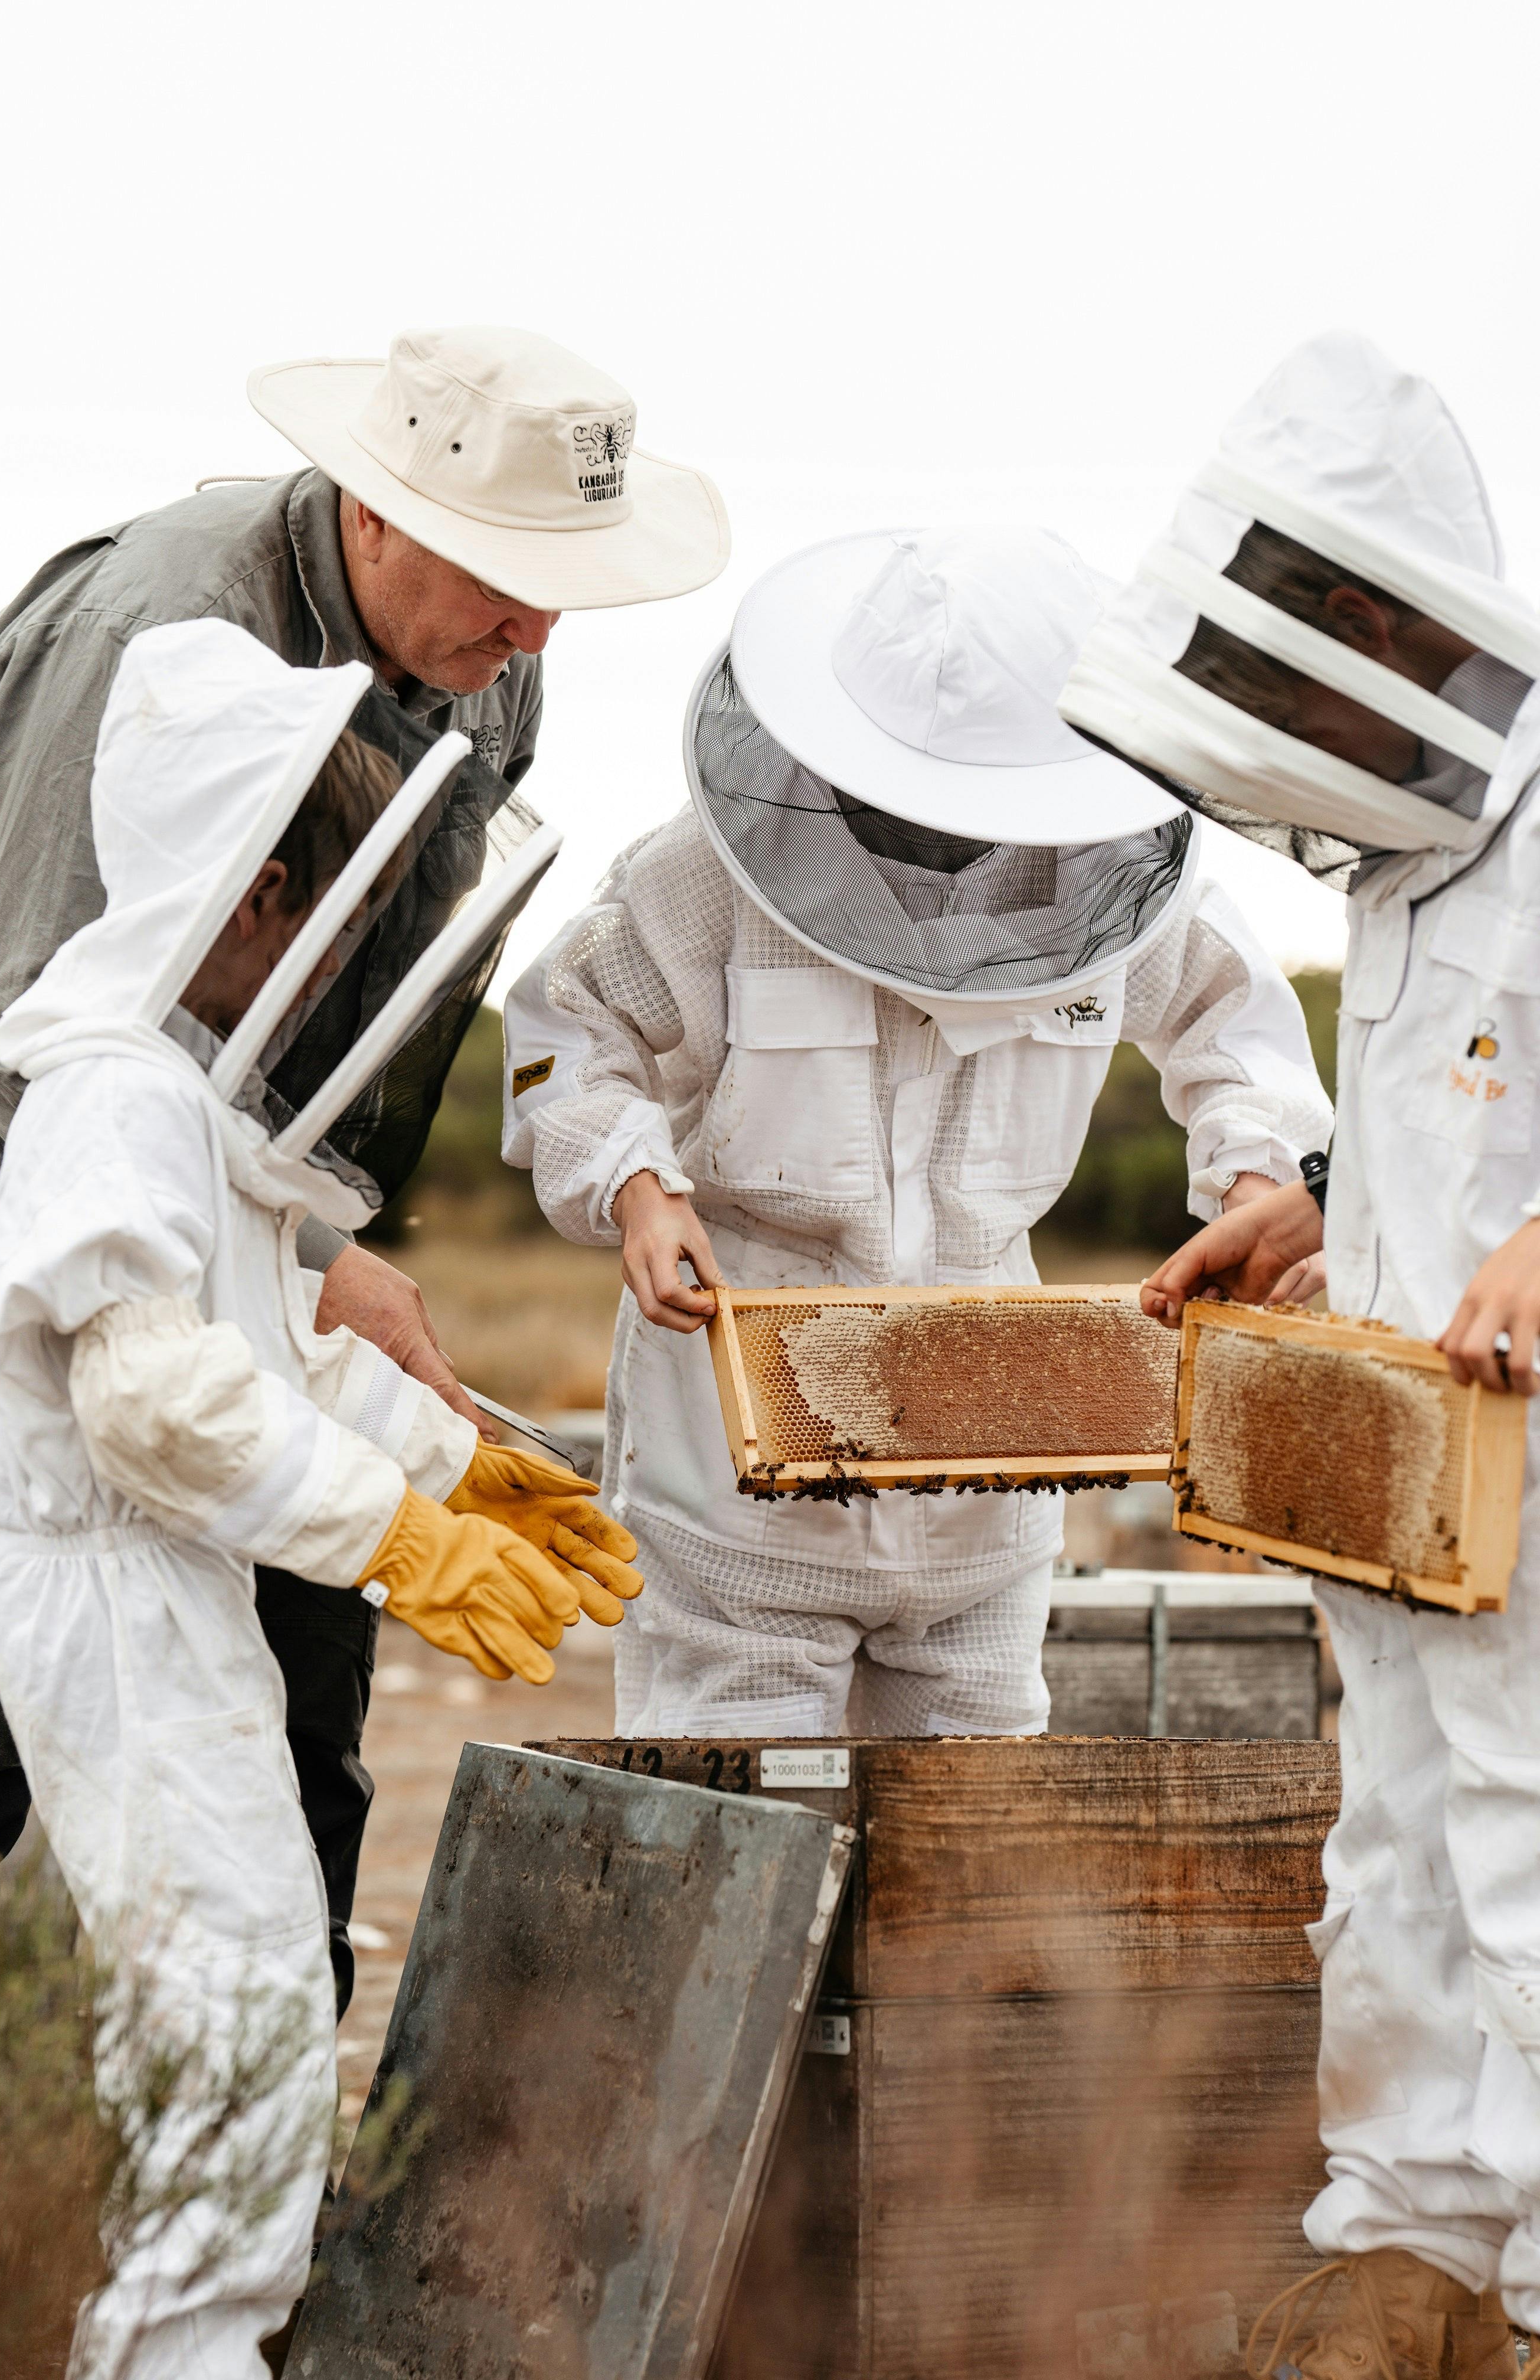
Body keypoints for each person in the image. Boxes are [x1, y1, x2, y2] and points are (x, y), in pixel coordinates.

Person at [0, 322, 726, 2006]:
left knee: (298, 1711)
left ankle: (265, 2157)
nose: (532, 629)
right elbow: (14, 1032)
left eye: (559, 587)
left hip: (252, 1212)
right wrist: (301, 1265)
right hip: (17, 1213)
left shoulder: (491, 650)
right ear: (375, 512)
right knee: (0, 1726)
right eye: (508, 576)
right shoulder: (154, 627)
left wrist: (409, 1444)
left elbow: (367, 992)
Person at [0, 616, 642, 2380]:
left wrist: (463, 1460)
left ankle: (186, 2341)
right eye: (345, 908)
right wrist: (394, 1536)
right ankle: (174, 2353)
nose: (359, 954)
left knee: (250, 1975)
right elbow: (153, 1403)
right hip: (111, 1592)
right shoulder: (112, 1099)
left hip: (160, 1585)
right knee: (228, 2000)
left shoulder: (184, 1105)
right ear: (256, 890)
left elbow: (261, 1361)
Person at [502, 526, 1331, 1739]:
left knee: (971, 1859)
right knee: (741, 1834)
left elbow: (1234, 1025)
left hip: (989, 1474)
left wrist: (1258, 1171)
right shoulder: (698, 880)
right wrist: (636, 1185)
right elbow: (563, 1040)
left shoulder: (1116, 885)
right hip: (740, 1464)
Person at [1060, 331, 1540, 2375]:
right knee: (1404, 1840)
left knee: (1527, 1848)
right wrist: (1314, 1205)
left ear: (1371, 618)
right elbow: (1464, 1137)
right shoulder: (1417, 865)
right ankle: (1410, 2236)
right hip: (1421, 1483)